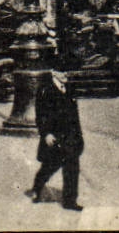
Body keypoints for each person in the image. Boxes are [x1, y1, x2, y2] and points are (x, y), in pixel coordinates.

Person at [29, 67, 84, 211]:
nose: (66, 74)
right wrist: (46, 133)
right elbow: (41, 115)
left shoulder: (69, 88)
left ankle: (70, 201)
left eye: (66, 71)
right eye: (62, 71)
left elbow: (74, 115)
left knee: (72, 169)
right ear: (53, 72)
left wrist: (79, 136)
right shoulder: (46, 90)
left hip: (71, 137)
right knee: (49, 167)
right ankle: (37, 187)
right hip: (54, 137)